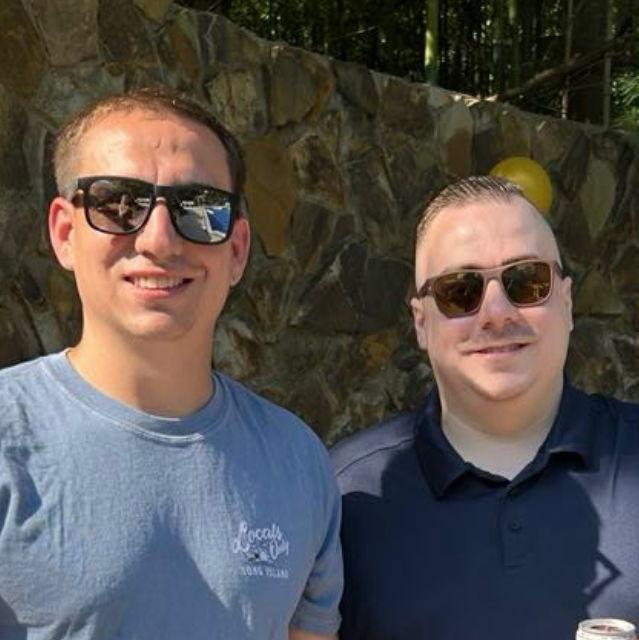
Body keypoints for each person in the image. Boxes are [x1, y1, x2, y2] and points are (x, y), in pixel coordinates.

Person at [0, 86, 342, 640]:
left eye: (199, 209)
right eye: (117, 203)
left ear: (236, 250)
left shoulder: (299, 462)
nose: (158, 239)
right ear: (64, 234)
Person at [331, 176, 639, 640]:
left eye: (527, 281)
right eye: (460, 290)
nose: (496, 312)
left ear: (567, 301)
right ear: (421, 322)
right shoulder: (344, 498)